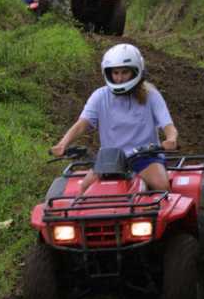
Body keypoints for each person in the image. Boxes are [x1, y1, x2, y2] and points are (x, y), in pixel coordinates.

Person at [51, 43, 178, 194]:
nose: (119, 78)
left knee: (162, 187)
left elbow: (167, 124)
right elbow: (81, 124)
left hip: (145, 159)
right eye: (115, 73)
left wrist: (171, 139)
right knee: (84, 190)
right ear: (108, 73)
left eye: (125, 72)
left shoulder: (151, 95)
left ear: (136, 71)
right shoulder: (99, 96)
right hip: (110, 161)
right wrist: (63, 144)